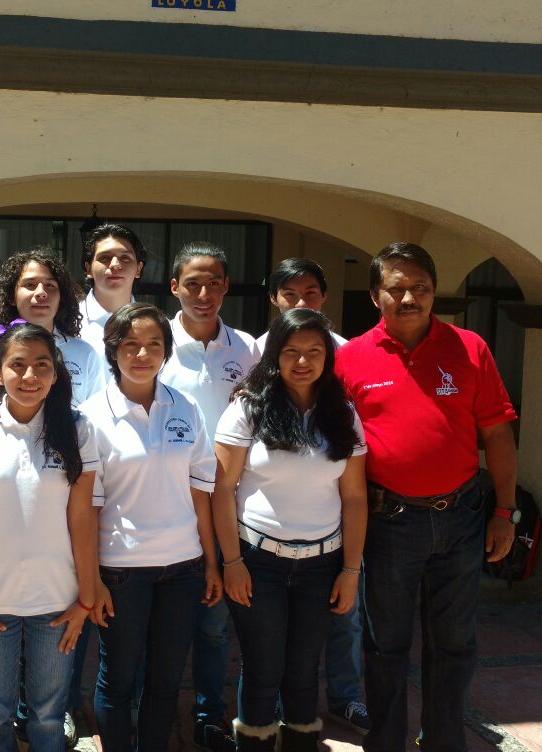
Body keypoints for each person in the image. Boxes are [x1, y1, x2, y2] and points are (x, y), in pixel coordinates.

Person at [333, 242, 518, 752]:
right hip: (388, 521)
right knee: (386, 644)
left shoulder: (470, 348)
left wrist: (505, 512)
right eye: (397, 289)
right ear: (376, 295)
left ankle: (442, 740)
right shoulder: (349, 359)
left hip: (462, 517)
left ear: (434, 293)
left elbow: (498, 434)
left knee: (454, 642)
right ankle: (386, 741)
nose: (410, 298)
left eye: (421, 288)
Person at [212, 308, 368, 752]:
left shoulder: (343, 414)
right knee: (263, 668)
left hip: (322, 564)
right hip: (258, 562)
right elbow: (222, 491)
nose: (303, 361)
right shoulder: (248, 408)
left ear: (328, 357)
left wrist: (350, 570)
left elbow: (355, 497)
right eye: (292, 351)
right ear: (274, 355)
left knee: (303, 671)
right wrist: (232, 562)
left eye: (314, 351)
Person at [0, 323, 100, 752]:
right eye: (18, 365)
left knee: (48, 717)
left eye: (42, 365)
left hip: (58, 603)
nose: (30, 376)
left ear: (55, 373)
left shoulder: (78, 429)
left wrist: (85, 600)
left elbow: (82, 520)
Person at [80, 303, 222, 752]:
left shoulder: (186, 407)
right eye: (130, 344)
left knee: (165, 681)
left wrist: (211, 563)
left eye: (154, 344)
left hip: (183, 568)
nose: (142, 354)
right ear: (112, 350)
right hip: (121, 571)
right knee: (118, 679)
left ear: (166, 351)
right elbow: (86, 509)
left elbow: (201, 492)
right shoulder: (90, 417)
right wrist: (92, 580)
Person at [258, 258, 368, 735]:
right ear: (274, 299)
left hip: (335, 500)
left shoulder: (346, 351)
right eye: (289, 293)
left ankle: (345, 697)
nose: (301, 301)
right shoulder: (258, 351)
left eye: (310, 292)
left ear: (324, 297)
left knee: (344, 616)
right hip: (268, 522)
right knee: (268, 637)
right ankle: (266, 711)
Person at [160, 241, 259, 752]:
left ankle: (208, 713)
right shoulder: (152, 342)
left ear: (226, 287)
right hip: (164, 506)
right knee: (162, 623)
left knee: (215, 624)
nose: (203, 294)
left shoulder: (247, 349)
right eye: (193, 284)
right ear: (174, 287)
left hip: (225, 506)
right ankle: (151, 713)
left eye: (213, 284)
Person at [0, 247, 105, 413]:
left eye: (50, 285)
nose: (41, 293)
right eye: (30, 285)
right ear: (12, 297)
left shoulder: (85, 354)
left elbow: (96, 418)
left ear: (61, 297)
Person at [77, 223, 147, 360]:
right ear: (89, 269)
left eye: (125, 258)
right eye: (104, 258)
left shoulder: (155, 326)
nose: (115, 265)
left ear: (138, 269)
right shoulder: (65, 322)